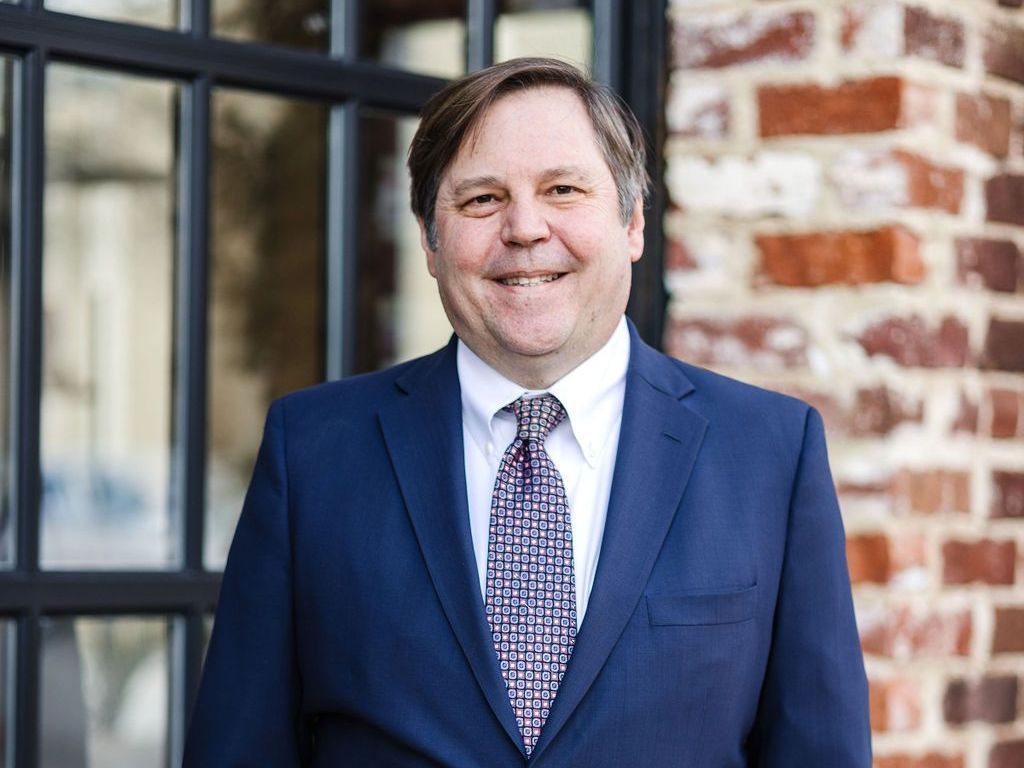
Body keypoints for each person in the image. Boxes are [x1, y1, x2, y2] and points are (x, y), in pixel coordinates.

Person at [183, 57, 871, 767]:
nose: (524, 228)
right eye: (481, 200)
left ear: (632, 222)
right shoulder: (315, 452)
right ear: (429, 239)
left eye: (563, 189)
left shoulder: (769, 455)